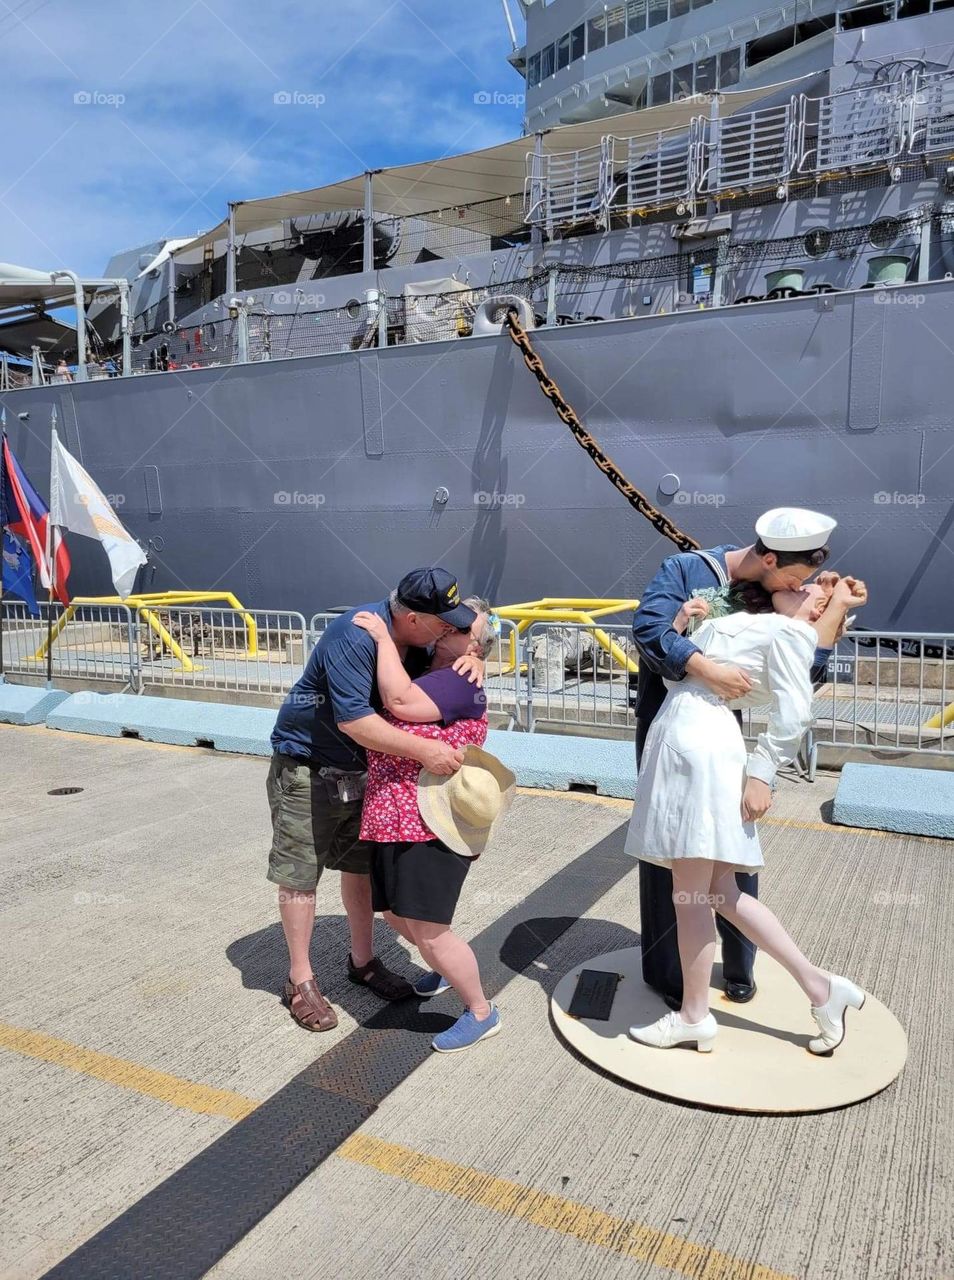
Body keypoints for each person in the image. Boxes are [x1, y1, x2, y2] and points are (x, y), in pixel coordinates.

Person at [626, 572, 869, 1054]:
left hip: (701, 746)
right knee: (719, 891)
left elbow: (796, 712)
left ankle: (694, 1016)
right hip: (693, 739)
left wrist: (762, 773)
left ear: (815, 611)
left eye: (811, 590)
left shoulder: (789, 633)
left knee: (690, 895)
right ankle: (820, 987)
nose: (804, 584)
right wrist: (680, 625)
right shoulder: (756, 623)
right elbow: (675, 671)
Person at [631, 507, 837, 1010]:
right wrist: (705, 666)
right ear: (767, 559)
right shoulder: (684, 571)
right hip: (667, 721)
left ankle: (739, 969)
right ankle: (673, 979)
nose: (799, 586)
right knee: (672, 861)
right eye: (794, 577)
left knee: (728, 864)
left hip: (716, 732)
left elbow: (800, 678)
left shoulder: (782, 604)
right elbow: (648, 628)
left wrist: (830, 610)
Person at [267, 567, 482, 1032]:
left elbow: (460, 648)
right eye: (442, 621)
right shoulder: (355, 634)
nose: (449, 628)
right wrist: (427, 751)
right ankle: (299, 978)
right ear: (410, 616)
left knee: (359, 868)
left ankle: (362, 961)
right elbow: (356, 723)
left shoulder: (422, 641)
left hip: (365, 772)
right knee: (299, 873)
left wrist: (475, 658)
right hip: (310, 766)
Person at [353, 600, 515, 1054]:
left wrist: (384, 638)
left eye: (462, 630)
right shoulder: (434, 666)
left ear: (475, 646)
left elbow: (400, 703)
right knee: (395, 913)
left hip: (431, 821)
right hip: (394, 817)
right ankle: (444, 969)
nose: (447, 630)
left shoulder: (461, 681)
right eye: (446, 623)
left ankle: (481, 1011)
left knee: (430, 929)